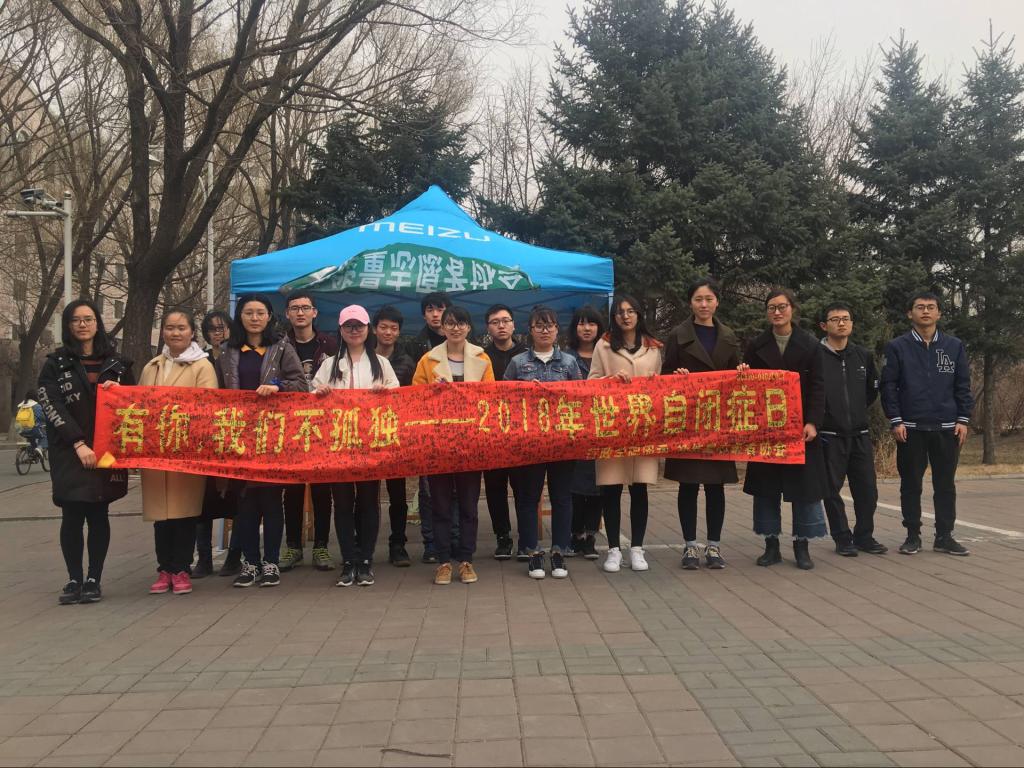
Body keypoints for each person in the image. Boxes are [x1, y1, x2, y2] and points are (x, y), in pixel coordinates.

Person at [37, 299, 134, 605]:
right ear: (68, 325)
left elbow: (132, 406)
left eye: (88, 319)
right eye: (76, 320)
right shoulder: (55, 364)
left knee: (99, 512)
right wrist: (78, 443)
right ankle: (73, 578)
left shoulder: (118, 364)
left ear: (97, 323)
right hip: (70, 451)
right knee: (72, 514)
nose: (82, 324)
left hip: (106, 451)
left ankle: (94, 579)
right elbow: (52, 405)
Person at [216, 294, 307, 587]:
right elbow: (215, 392)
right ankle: (250, 563)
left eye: (260, 313)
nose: (254, 318)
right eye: (248, 313)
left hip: (272, 435)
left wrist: (277, 386)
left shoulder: (281, 347)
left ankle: (271, 562)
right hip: (239, 434)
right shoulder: (227, 351)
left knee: (270, 500)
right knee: (244, 502)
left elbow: (301, 384)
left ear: (269, 316)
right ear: (240, 317)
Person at [880, 291, 974, 556]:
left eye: (931, 307)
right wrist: (895, 419)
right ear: (910, 313)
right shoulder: (897, 347)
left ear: (939, 313)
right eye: (919, 307)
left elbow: (963, 384)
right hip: (910, 428)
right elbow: (888, 386)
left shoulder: (954, 346)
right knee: (911, 485)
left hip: (947, 428)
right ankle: (912, 536)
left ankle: (944, 536)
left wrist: (963, 419)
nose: (925, 311)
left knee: (945, 485)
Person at [313, 305, 399, 587]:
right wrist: (319, 393)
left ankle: (365, 560)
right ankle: (348, 560)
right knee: (342, 503)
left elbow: (398, 396)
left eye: (359, 325)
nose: (354, 330)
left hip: (371, 445)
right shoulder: (329, 364)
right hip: (337, 445)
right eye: (349, 326)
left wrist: (385, 392)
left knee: (368, 502)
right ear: (341, 330)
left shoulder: (381, 363)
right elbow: (312, 398)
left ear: (367, 329)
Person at [743, 289, 829, 570]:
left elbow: (819, 386)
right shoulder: (756, 345)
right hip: (766, 429)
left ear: (792, 309)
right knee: (766, 490)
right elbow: (746, 387)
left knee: (803, 490)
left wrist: (813, 422)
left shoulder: (811, 344)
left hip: (800, 429)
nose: (777, 312)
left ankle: (802, 546)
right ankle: (771, 547)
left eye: (782, 306)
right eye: (771, 307)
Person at [661, 279, 741, 570]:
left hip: (718, 421)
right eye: (698, 299)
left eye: (708, 299)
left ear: (717, 302)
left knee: (716, 486)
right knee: (689, 485)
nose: (704, 304)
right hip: (689, 421)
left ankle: (714, 545)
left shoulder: (728, 335)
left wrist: (741, 372)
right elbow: (665, 375)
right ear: (690, 303)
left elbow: (735, 377)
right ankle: (690, 545)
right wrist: (676, 376)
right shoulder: (678, 335)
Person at [412, 305, 494, 585]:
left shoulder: (482, 357)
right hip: (438, 444)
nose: (455, 328)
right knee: (440, 505)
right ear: (442, 327)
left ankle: (466, 560)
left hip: (471, 442)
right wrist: (431, 393)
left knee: (469, 505)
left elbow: (490, 398)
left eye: (461, 323)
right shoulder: (428, 360)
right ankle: (444, 561)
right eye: (450, 323)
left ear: (469, 327)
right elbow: (414, 398)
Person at [138, 309, 218, 595]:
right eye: (170, 328)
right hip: (156, 452)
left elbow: (207, 407)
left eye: (181, 328)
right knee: (161, 516)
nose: (175, 333)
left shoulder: (202, 366)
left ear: (191, 332)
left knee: (184, 514)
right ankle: (164, 569)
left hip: (186, 450)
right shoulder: (152, 367)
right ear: (163, 332)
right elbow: (138, 405)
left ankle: (181, 568)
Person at [504, 306, 583, 579]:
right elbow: (504, 400)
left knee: (562, 497)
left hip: (562, 443)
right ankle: (532, 552)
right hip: (530, 444)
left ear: (557, 329)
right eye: (539, 326)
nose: (545, 330)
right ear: (531, 330)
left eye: (549, 325)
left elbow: (581, 400)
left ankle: (559, 550)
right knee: (529, 498)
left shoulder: (569, 363)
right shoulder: (517, 363)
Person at [589, 294, 663, 574]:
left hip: (642, 426)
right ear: (614, 317)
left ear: (639, 314)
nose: (626, 316)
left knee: (639, 488)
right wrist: (610, 381)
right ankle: (613, 550)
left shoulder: (653, 347)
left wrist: (656, 383)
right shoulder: (604, 345)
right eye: (620, 312)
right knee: (611, 489)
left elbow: (661, 386)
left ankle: (638, 548)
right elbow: (591, 381)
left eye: (631, 311)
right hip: (612, 427)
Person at [818, 302, 887, 557]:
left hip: (860, 435)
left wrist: (855, 411)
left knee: (867, 490)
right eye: (835, 319)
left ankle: (864, 536)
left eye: (846, 319)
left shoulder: (862, 355)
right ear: (824, 325)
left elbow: (871, 391)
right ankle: (842, 538)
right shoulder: (815, 355)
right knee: (831, 491)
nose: (841, 323)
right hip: (829, 436)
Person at [281, 290, 338, 572]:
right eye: (295, 308)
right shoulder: (279, 345)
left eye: (305, 308)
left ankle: (321, 546)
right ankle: (293, 546)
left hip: (323, 425)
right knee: (292, 488)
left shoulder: (330, 344)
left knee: (321, 488)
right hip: (289, 425)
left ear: (315, 312)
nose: (300, 313)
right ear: (287, 314)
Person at [194, 309, 241, 578]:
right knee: (202, 499)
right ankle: (204, 558)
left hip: (235, 435)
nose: (218, 333)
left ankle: (234, 556)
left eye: (222, 327)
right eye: (212, 329)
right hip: (204, 437)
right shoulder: (198, 360)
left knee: (238, 498)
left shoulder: (238, 356)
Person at [406, 291, 451, 563]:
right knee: (427, 488)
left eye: (440, 309)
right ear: (424, 315)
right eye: (430, 309)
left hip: (457, 426)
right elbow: (413, 387)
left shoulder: (462, 344)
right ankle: (431, 543)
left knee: (456, 487)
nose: (436, 314)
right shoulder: (416, 346)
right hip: (427, 425)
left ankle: (455, 539)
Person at [372, 305, 417, 567]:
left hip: (394, 434)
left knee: (397, 493)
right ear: (374, 329)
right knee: (366, 494)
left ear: (399, 332)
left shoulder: (406, 361)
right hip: (365, 434)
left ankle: (397, 544)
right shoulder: (361, 357)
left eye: (393, 328)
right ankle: (362, 544)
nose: (388, 332)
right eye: (383, 327)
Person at [482, 304, 527, 560]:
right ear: (488, 328)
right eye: (495, 322)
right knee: (495, 488)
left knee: (523, 488)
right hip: (491, 434)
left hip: (521, 434)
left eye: (506, 320)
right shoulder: (481, 357)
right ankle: (502, 537)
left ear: (513, 325)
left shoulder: (527, 354)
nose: (501, 325)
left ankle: (526, 537)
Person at [565, 305, 606, 560]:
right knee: (575, 485)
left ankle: (591, 535)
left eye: (592, 323)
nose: (587, 328)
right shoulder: (565, 357)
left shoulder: (608, 355)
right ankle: (575, 534)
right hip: (574, 430)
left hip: (603, 428)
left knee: (599, 484)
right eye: (581, 323)